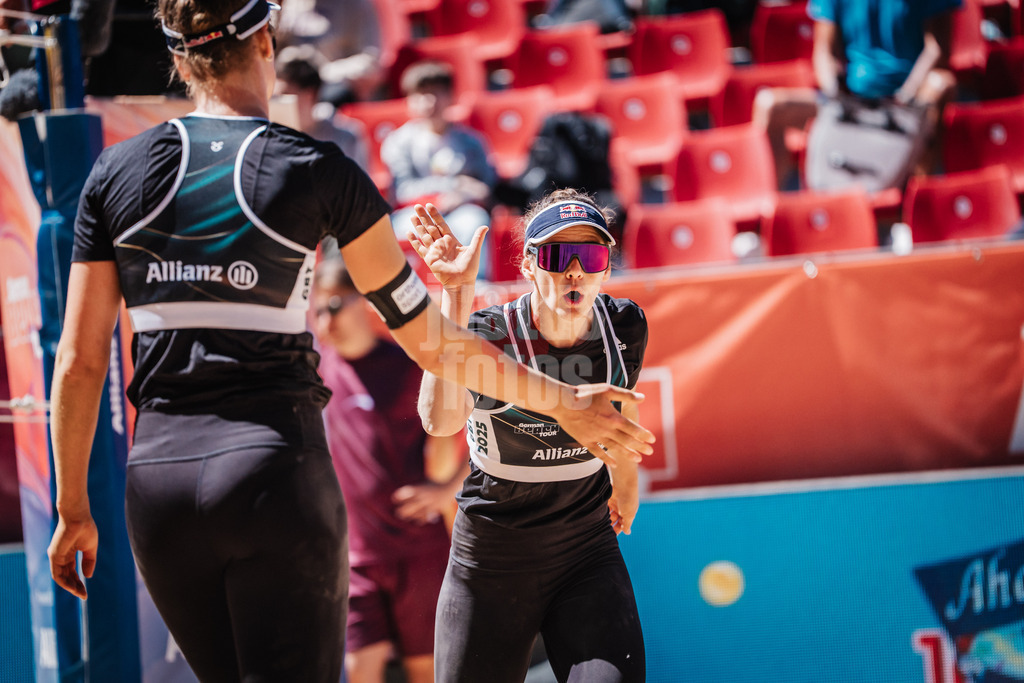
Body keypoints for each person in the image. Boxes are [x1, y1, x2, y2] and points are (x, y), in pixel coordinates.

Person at [43, 0, 654, 680]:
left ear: (179, 58)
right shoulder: (316, 168)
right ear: (267, 42)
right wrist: (565, 402)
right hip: (269, 469)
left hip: (158, 483)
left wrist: (72, 508)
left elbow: (78, 362)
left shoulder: (113, 172)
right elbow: (433, 344)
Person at [409, 189, 648, 682]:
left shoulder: (625, 325)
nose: (575, 270)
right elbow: (439, 421)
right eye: (560, 255)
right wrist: (454, 295)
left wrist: (625, 479)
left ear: (607, 266)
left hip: (584, 549)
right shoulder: (489, 332)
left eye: (592, 255)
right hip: (491, 558)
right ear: (529, 264)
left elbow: (616, 414)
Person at [312, 256, 467, 683]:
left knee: (427, 672)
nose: (325, 319)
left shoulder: (408, 368)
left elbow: (479, 433)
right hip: (356, 559)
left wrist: (447, 489)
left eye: (335, 305)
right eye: (318, 309)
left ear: (363, 301)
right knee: (359, 671)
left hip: (418, 551)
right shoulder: (317, 374)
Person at [752, 0, 960, 190]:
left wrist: (905, 95)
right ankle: (771, 216)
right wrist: (836, 92)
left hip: (908, 103)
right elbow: (824, 51)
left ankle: (919, 204)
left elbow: (938, 49)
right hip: (850, 101)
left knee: (941, 85)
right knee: (770, 105)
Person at [382, 60, 496, 279]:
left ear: (450, 96)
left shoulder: (472, 141)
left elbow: (485, 185)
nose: (429, 101)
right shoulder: (398, 142)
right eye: (421, 94)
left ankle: (477, 290)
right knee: (405, 229)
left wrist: (462, 195)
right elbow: (403, 189)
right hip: (416, 211)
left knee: (476, 222)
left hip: (462, 210)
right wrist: (453, 186)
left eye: (436, 93)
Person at [275, 46, 370, 171]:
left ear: (310, 95)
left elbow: (357, 187)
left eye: (285, 95)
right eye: (274, 97)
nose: (278, 102)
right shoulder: (270, 138)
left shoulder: (345, 138)